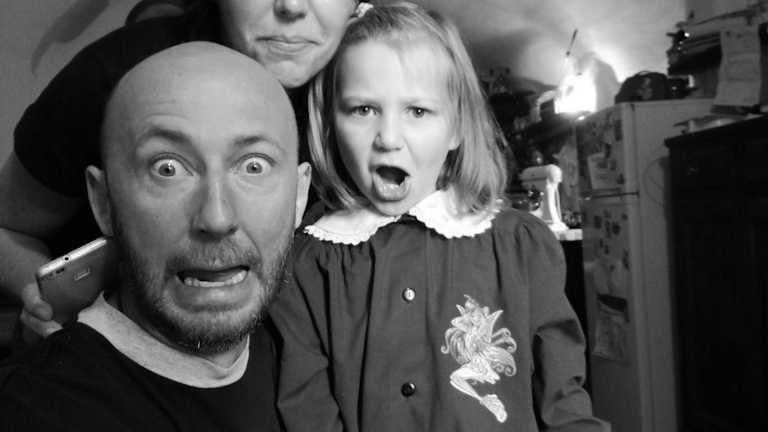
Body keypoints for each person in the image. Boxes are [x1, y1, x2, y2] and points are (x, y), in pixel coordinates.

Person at [270, 3, 609, 431]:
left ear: (456, 129)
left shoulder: (520, 246)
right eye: (362, 109)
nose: (388, 138)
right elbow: (307, 412)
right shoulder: (306, 265)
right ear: (330, 124)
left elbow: (565, 404)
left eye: (417, 111)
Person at [0, 0, 361, 337]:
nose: (291, 6)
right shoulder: (113, 75)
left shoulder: (374, 83)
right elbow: (8, 231)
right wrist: (47, 305)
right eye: (168, 168)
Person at [0, 41, 312, 430]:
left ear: (299, 196)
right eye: (167, 169)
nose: (217, 218)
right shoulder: (34, 410)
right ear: (104, 202)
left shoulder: (317, 354)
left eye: (254, 166)